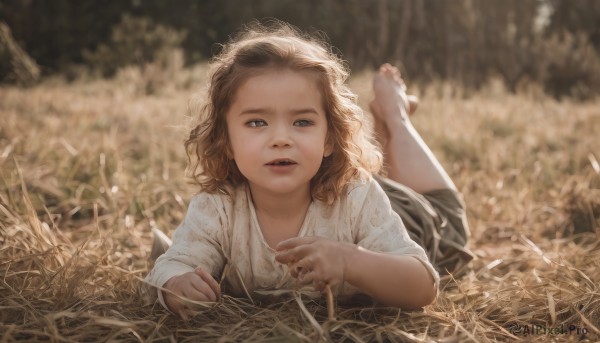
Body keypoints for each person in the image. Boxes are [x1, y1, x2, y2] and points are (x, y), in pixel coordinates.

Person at [143, 23, 473, 318]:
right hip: (345, 186)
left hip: (413, 219)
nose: (281, 139)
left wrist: (350, 261)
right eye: (257, 122)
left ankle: (395, 114)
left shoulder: (357, 197)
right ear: (225, 139)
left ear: (330, 138)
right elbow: (172, 267)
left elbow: (422, 287)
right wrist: (176, 284)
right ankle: (385, 134)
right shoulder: (218, 207)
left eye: (302, 121)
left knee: (447, 212)